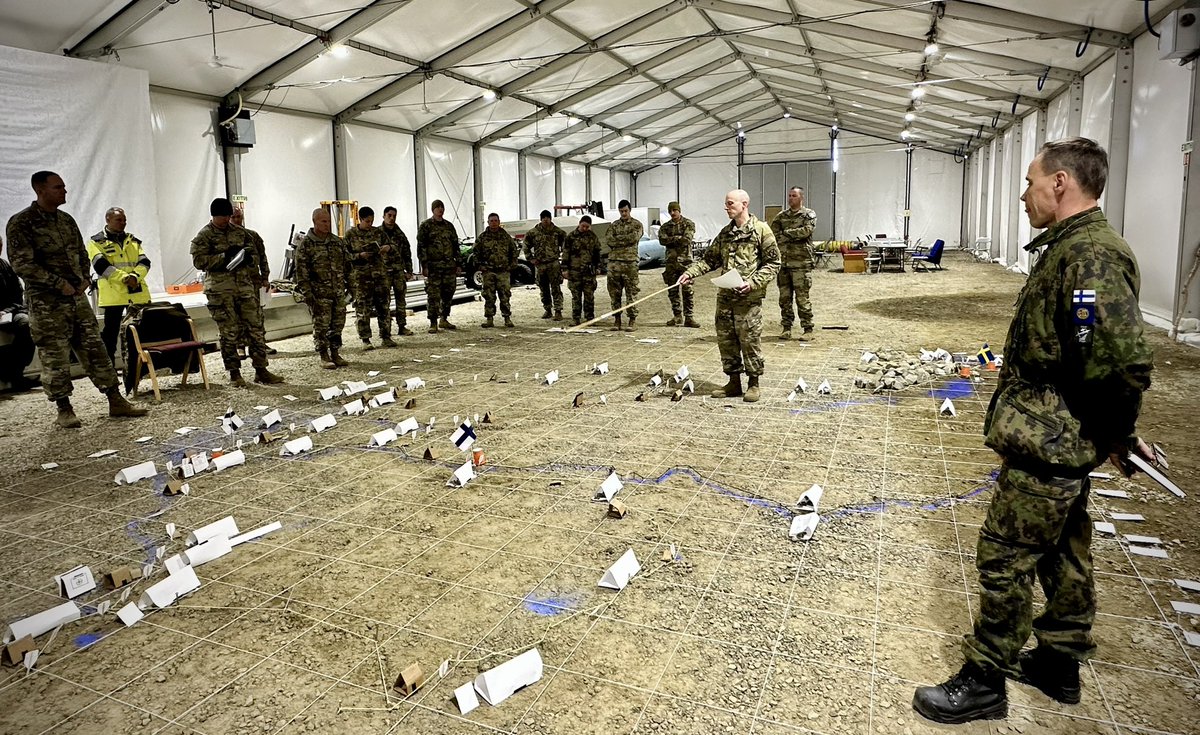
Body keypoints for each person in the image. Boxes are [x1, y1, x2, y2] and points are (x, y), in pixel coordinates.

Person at [912, 138, 1154, 724]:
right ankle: (1058, 661)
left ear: (1061, 183)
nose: (1023, 194)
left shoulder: (1090, 257)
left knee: (1004, 558)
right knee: (1065, 551)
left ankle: (984, 677)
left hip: (1051, 439)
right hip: (1060, 437)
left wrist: (1118, 433)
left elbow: (1118, 360)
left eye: (1028, 182)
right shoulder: (1072, 248)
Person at [5, 171, 147, 427]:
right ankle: (64, 409)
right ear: (40, 190)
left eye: (64, 186)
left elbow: (82, 253)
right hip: (46, 302)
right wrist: (58, 284)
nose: (64, 191)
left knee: (96, 348)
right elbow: (22, 264)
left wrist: (83, 279)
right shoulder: (22, 223)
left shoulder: (66, 220)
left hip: (76, 299)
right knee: (55, 356)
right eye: (58, 187)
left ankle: (115, 400)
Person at [679, 189, 780, 403]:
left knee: (749, 340)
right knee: (726, 340)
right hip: (725, 298)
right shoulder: (725, 234)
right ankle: (734, 382)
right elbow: (709, 260)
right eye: (726, 203)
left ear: (745, 204)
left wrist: (752, 283)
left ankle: (753, 384)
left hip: (748, 299)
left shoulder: (761, 231)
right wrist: (690, 273)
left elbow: (773, 263)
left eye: (731, 203)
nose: (727, 207)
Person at [190, 198, 284, 387]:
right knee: (229, 332)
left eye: (228, 216)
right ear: (214, 216)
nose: (226, 220)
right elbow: (199, 262)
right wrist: (225, 257)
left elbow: (256, 255)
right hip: (220, 291)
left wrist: (251, 263)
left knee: (256, 329)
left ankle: (261, 369)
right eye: (222, 217)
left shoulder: (241, 233)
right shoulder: (204, 236)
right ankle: (234, 373)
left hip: (244, 288)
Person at [86, 207, 150, 364]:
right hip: (114, 295)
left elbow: (145, 262)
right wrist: (125, 278)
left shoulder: (133, 241)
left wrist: (135, 276)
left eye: (124, 220)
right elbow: (101, 266)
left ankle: (139, 366)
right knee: (110, 334)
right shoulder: (96, 242)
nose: (123, 223)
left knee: (139, 332)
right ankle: (110, 369)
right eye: (119, 220)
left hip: (136, 294)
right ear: (107, 220)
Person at [294, 208, 351, 369]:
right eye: (323, 222)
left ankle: (335, 352)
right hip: (319, 294)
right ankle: (324, 354)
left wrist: (351, 288)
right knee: (321, 326)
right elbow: (302, 273)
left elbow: (347, 266)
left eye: (328, 221)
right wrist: (308, 294)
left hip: (338, 292)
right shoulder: (306, 245)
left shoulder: (336, 242)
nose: (327, 225)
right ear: (314, 222)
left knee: (338, 324)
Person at [345, 206, 396, 350]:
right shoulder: (350, 235)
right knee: (363, 309)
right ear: (360, 219)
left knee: (383, 307)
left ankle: (386, 336)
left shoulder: (378, 233)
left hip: (380, 276)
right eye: (367, 221)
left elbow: (393, 245)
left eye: (372, 221)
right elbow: (344, 256)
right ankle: (365, 339)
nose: (370, 224)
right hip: (361, 278)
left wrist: (388, 248)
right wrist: (359, 256)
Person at [771, 186, 818, 340]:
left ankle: (807, 329)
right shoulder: (781, 216)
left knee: (802, 298)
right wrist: (792, 234)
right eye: (789, 196)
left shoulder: (808, 214)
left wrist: (787, 233)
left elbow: (806, 232)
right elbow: (774, 234)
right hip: (783, 264)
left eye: (794, 196)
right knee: (784, 298)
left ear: (801, 198)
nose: (791, 198)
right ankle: (786, 327)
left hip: (801, 263)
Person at [229, 207, 277, 357]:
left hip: (253, 281)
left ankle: (259, 343)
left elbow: (262, 257)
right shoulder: (225, 237)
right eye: (234, 217)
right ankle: (240, 345)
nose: (237, 220)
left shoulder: (252, 236)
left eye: (239, 217)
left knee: (256, 315)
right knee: (237, 314)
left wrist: (265, 277)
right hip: (234, 282)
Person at [416, 199, 462, 333]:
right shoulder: (426, 226)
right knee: (433, 295)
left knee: (448, 293)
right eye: (437, 207)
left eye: (442, 207)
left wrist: (458, 263)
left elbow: (455, 246)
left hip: (448, 266)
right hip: (433, 266)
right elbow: (421, 246)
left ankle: (444, 318)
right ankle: (433, 321)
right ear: (433, 210)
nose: (440, 209)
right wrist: (424, 265)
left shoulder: (449, 226)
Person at [0, 235, 37, 393]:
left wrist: (7, 311)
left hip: (9, 312)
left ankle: (14, 372)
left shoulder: (4, 265)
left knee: (28, 325)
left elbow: (17, 292)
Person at [657, 201, 699, 328]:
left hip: (686, 263)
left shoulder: (689, 224)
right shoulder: (665, 227)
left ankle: (689, 317)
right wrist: (678, 238)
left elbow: (687, 239)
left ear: (679, 210)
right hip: (671, 263)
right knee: (672, 291)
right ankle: (677, 316)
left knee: (688, 291)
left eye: (675, 210)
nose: (672, 213)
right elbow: (662, 240)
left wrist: (672, 239)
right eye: (670, 211)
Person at [605, 199, 643, 332]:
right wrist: (624, 240)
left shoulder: (637, 225)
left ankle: (632, 320)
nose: (623, 213)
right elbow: (609, 240)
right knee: (615, 294)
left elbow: (633, 238)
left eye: (625, 211)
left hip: (630, 264)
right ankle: (617, 319)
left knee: (631, 292)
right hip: (614, 264)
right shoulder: (614, 225)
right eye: (621, 211)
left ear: (630, 210)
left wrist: (618, 240)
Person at [474, 213, 518, 329]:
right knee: (489, 296)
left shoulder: (505, 237)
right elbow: (476, 253)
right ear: (488, 223)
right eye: (491, 221)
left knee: (505, 296)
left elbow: (514, 252)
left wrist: (511, 266)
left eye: (495, 221)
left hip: (503, 271)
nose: (494, 223)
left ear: (499, 222)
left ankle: (507, 318)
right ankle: (489, 319)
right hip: (488, 271)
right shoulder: (482, 238)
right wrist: (480, 266)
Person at [379, 206, 415, 336]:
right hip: (383, 272)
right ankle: (385, 330)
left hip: (398, 271)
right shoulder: (377, 233)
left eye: (394, 216)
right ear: (383, 216)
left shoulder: (400, 234)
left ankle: (402, 326)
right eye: (389, 215)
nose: (392, 218)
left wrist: (409, 270)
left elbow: (407, 252)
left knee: (401, 300)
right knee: (384, 302)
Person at [524, 209, 566, 321]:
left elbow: (566, 245)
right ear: (541, 219)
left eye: (547, 218)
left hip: (554, 264)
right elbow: (526, 245)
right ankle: (547, 309)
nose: (546, 220)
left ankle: (558, 310)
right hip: (540, 264)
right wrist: (530, 258)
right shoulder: (533, 232)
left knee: (556, 288)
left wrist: (563, 258)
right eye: (543, 218)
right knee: (543, 288)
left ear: (550, 219)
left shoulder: (558, 232)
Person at [561, 216, 602, 326]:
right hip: (575, 272)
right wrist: (564, 269)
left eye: (587, 227)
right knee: (576, 296)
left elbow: (597, 253)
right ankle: (576, 318)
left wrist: (598, 267)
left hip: (588, 272)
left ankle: (589, 317)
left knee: (589, 296)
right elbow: (565, 254)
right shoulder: (571, 237)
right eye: (583, 226)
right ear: (579, 224)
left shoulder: (592, 237)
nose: (584, 228)